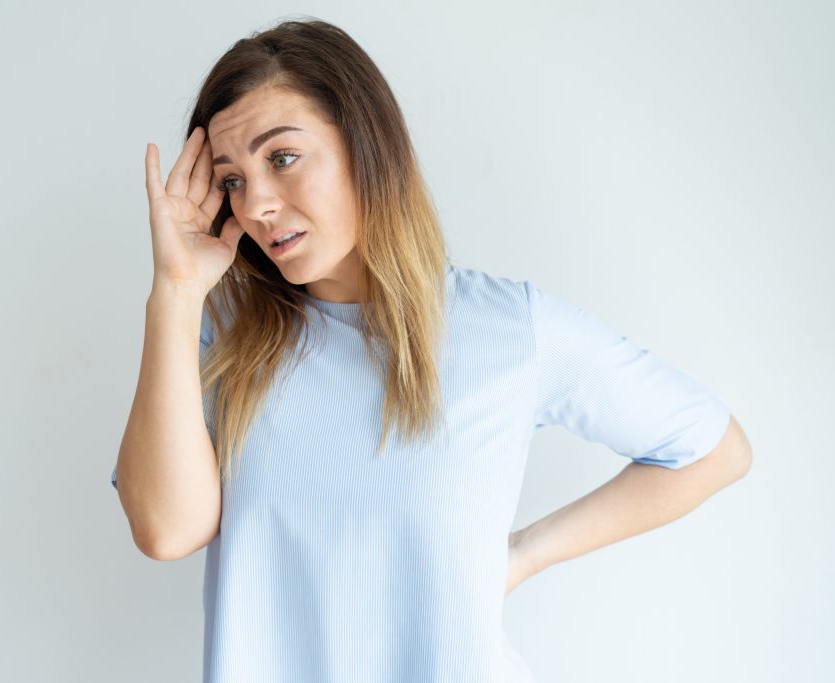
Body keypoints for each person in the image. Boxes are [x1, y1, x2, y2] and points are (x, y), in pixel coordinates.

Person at [111, 18, 753, 683]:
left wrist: (524, 554)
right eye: (233, 180)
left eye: (281, 157)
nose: (259, 205)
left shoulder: (509, 330)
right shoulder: (220, 331)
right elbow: (166, 530)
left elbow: (714, 448)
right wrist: (176, 292)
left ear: (366, 143)